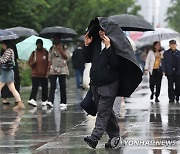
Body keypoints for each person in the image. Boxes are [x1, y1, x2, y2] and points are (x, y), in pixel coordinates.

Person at [82, 17, 142, 149]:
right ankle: (115, 138)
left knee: (103, 112)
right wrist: (86, 45)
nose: (101, 32)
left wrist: (109, 46)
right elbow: (87, 58)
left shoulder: (116, 44)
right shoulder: (95, 43)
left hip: (110, 84)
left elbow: (115, 64)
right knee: (107, 113)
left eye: (104, 30)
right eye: (100, 30)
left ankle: (94, 137)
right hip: (96, 84)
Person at [46, 35, 70, 110]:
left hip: (62, 68)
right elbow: (49, 59)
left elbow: (66, 57)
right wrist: (48, 70)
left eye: (57, 39)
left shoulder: (64, 47)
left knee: (62, 85)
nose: (55, 40)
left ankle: (63, 102)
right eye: (54, 39)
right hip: (54, 68)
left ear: (59, 39)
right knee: (52, 85)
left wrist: (60, 50)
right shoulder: (51, 48)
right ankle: (50, 101)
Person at [0, 40, 25, 110]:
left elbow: (3, 60)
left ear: (6, 44)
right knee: (13, 89)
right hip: (8, 72)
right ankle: (20, 103)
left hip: (7, 72)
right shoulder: (10, 50)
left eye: (3, 44)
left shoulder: (8, 51)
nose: (2, 46)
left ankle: (20, 103)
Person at [28, 39, 49, 107]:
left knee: (44, 87)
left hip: (43, 74)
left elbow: (49, 62)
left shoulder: (46, 52)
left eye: (40, 44)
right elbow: (30, 63)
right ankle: (32, 99)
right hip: (35, 74)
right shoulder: (34, 53)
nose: (39, 45)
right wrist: (33, 63)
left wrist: (48, 71)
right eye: (38, 44)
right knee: (35, 87)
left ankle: (44, 100)